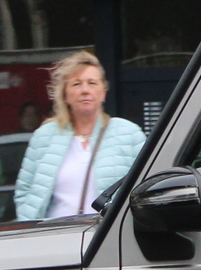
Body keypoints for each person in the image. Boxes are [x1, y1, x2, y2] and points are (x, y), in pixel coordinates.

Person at [10, 51, 145, 222]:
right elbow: (24, 191)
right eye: (76, 84)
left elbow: (145, 188)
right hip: (54, 239)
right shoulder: (44, 136)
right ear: (65, 94)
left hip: (106, 239)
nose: (85, 90)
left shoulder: (129, 134)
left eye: (92, 83)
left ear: (103, 91)